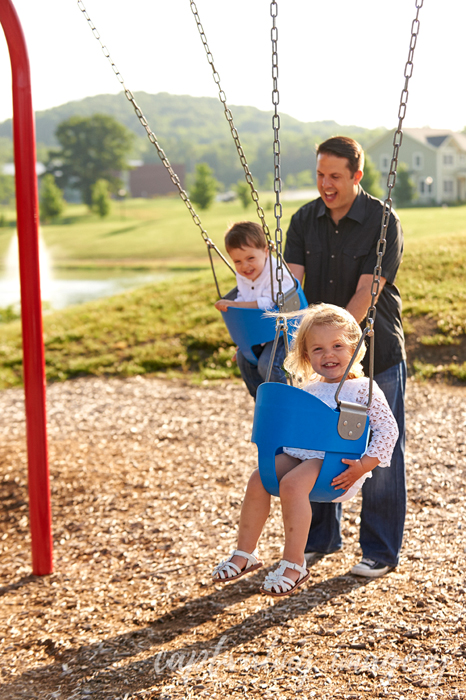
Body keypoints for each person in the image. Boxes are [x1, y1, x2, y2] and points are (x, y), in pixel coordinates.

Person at [212, 304, 399, 597]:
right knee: (259, 477)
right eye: (318, 349)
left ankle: (294, 563)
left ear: (355, 349)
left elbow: (388, 431)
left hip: (336, 464)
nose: (328, 355)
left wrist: (363, 465)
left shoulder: (363, 388)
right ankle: (245, 553)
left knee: (292, 484)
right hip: (304, 455)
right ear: (305, 355)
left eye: (338, 346)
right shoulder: (310, 389)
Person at [284, 135, 407, 578]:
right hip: (319, 358)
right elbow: (292, 288)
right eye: (320, 175)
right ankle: (319, 540)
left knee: (380, 447)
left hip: (375, 352)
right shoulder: (303, 219)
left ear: (356, 176)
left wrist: (340, 346)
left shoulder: (381, 220)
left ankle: (379, 550)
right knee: (313, 445)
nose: (326, 184)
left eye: (335, 176)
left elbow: (366, 291)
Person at [214, 221, 295, 398]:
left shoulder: (277, 272)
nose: (245, 266)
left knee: (268, 364)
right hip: (264, 329)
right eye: (237, 261)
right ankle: (262, 402)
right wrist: (242, 342)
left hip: (286, 327)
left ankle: (283, 401)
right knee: (244, 359)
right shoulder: (244, 274)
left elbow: (267, 304)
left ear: (266, 251)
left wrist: (233, 304)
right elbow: (245, 300)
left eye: (250, 258)